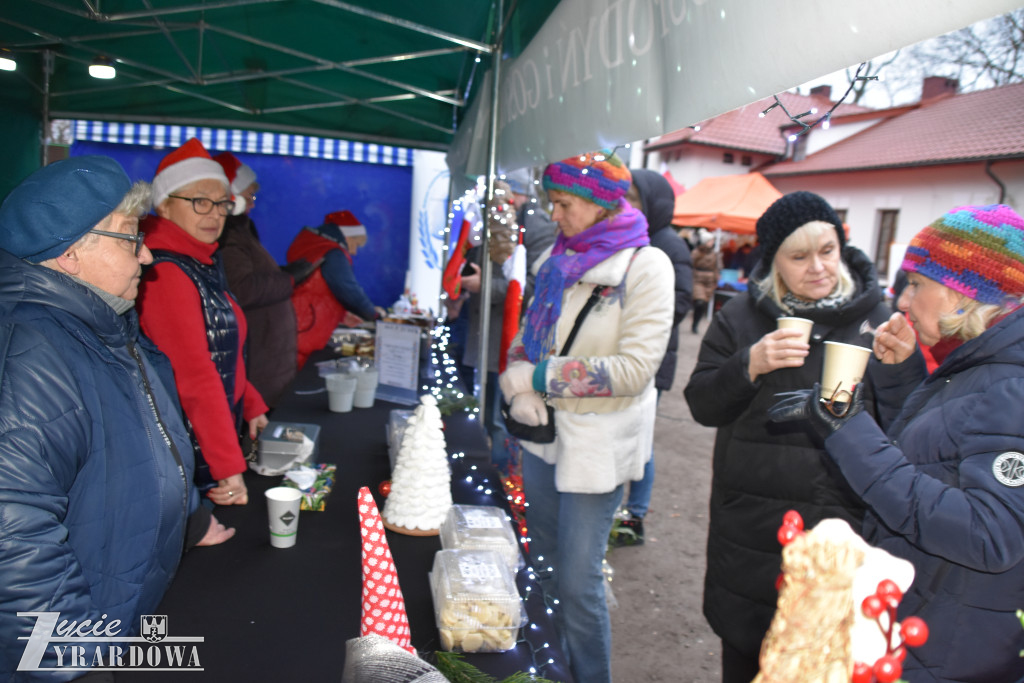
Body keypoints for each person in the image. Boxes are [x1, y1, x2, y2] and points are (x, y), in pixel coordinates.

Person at [770, 204, 1024, 682]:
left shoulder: (1011, 385)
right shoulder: (980, 368)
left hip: (951, 652)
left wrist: (849, 428)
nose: (903, 301)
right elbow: (940, 458)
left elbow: (991, 535)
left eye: (917, 283)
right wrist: (900, 373)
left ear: (964, 294)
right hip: (928, 621)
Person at [0, 157, 233, 677]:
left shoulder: (105, 325)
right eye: (131, 237)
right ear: (70, 254)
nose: (147, 255)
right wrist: (69, 660)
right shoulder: (31, 352)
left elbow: (148, 441)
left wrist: (191, 517)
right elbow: (12, 532)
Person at [683, 190, 891, 683]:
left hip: (838, 530)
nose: (817, 267)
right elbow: (701, 404)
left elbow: (904, 426)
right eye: (798, 257)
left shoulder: (877, 322)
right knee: (747, 656)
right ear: (773, 261)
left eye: (827, 251)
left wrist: (900, 371)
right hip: (753, 529)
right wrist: (749, 365)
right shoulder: (740, 317)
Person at [498, 150, 673, 683]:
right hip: (543, 439)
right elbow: (530, 341)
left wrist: (538, 378)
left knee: (578, 583)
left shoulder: (647, 267)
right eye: (552, 203)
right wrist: (520, 372)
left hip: (596, 449)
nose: (556, 214)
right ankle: (551, 671)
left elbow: (635, 370)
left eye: (565, 203)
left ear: (600, 204)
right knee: (545, 569)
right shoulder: (556, 264)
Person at [137, 138, 269, 507]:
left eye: (222, 203)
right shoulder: (167, 273)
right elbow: (194, 375)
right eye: (199, 202)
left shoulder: (199, 261)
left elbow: (221, 347)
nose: (214, 214)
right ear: (163, 205)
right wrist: (228, 464)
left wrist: (252, 401)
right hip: (189, 456)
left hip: (205, 443)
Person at [613, 168, 693, 545]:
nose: (624, 204)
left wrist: (639, 318)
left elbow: (680, 300)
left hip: (654, 359)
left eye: (633, 197)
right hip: (629, 355)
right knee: (624, 432)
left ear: (652, 202)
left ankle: (637, 514)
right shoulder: (635, 238)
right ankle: (621, 509)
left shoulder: (668, 244)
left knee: (641, 437)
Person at [214, 151, 309, 407]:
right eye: (249, 196)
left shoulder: (241, 230)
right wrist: (287, 279)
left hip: (269, 358)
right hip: (260, 360)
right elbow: (241, 287)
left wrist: (281, 273)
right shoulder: (229, 235)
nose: (253, 204)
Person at [287, 210, 384, 369]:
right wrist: (374, 314)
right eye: (355, 244)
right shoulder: (333, 254)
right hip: (308, 327)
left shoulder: (314, 246)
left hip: (296, 322)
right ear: (347, 237)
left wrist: (342, 314)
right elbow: (348, 290)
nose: (353, 252)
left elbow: (317, 290)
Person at [690, 228, 721, 333]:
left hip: (709, 281)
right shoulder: (697, 252)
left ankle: (696, 323)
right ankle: (694, 324)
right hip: (698, 279)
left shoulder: (714, 254)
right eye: (710, 241)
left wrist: (716, 279)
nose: (712, 243)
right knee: (699, 301)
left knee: (703, 304)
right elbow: (691, 264)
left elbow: (717, 267)